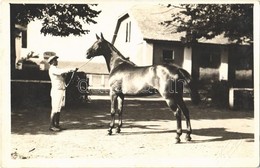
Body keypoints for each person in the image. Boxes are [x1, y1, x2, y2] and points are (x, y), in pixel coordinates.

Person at [48, 55, 77, 131]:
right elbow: (61, 71)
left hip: (61, 90)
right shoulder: (52, 69)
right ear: (52, 62)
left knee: (58, 108)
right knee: (55, 108)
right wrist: (71, 69)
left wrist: (68, 73)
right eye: (55, 60)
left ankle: (56, 125)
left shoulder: (56, 69)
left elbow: (62, 77)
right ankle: (51, 126)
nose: (57, 61)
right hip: (56, 91)